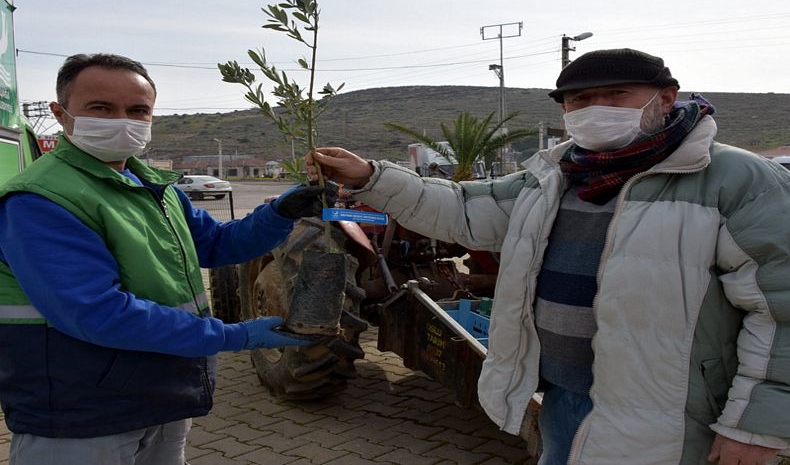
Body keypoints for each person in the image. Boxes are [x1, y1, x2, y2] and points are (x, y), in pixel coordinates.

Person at [306, 48, 790, 464]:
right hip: (563, 396)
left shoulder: (735, 179)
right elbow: (464, 211)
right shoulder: (555, 174)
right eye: (580, 99)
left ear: (665, 97)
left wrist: (754, 425)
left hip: (673, 418)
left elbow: (779, 312)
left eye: (616, 95)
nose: (595, 108)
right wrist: (370, 175)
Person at [0, 53, 335, 464]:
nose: (123, 120)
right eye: (101, 108)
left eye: (138, 110)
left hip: (162, 392)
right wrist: (236, 336)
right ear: (61, 113)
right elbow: (98, 313)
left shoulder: (152, 185)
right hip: (83, 412)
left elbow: (215, 245)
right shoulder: (41, 200)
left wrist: (278, 214)